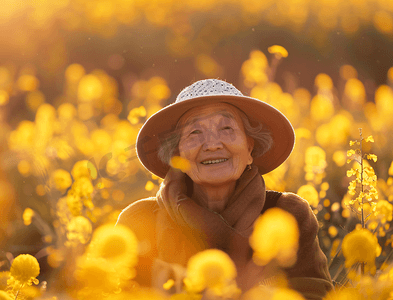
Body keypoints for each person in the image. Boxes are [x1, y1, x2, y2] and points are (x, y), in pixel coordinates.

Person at [116, 79, 333, 299]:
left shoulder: (289, 215)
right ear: (177, 154)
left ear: (250, 148)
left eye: (227, 128)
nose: (212, 144)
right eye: (194, 133)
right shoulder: (140, 221)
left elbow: (314, 293)